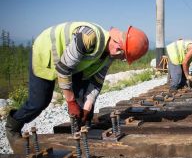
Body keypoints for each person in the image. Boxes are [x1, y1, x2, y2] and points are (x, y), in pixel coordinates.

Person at [5, 21, 149, 149]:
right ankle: (13, 127)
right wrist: (70, 101)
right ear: (118, 46)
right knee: (39, 101)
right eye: (123, 56)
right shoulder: (88, 36)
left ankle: (81, 133)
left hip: (72, 64)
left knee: (84, 102)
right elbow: (63, 69)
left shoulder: (109, 55)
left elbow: (97, 81)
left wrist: (88, 106)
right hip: (46, 52)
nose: (122, 60)